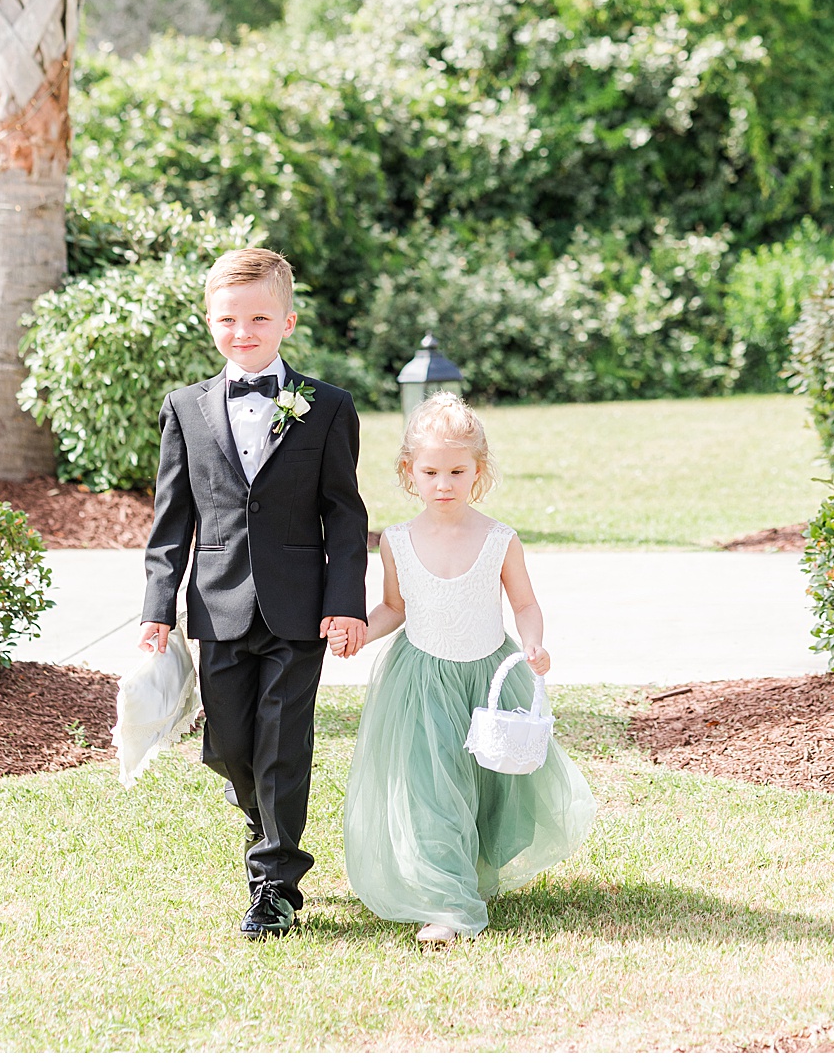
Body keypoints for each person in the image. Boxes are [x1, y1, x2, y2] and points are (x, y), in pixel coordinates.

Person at [139, 246, 370, 940]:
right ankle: (263, 820)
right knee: (230, 745)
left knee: (281, 745)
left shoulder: (328, 407)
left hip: (299, 608)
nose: (243, 332)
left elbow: (345, 514)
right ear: (209, 321)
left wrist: (346, 601)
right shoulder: (184, 408)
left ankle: (275, 885)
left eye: (259, 319)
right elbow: (171, 519)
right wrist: (157, 608)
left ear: (287, 322)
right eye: (228, 319)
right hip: (217, 605)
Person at [333, 393, 595, 948]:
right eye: (430, 472)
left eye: (457, 471)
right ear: (410, 472)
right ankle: (447, 905)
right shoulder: (397, 541)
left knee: (489, 789)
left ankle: (470, 873)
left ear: (479, 470)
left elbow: (525, 603)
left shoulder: (499, 539)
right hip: (421, 681)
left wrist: (534, 643)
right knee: (432, 790)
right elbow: (395, 608)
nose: (444, 484)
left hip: (488, 677)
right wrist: (360, 631)